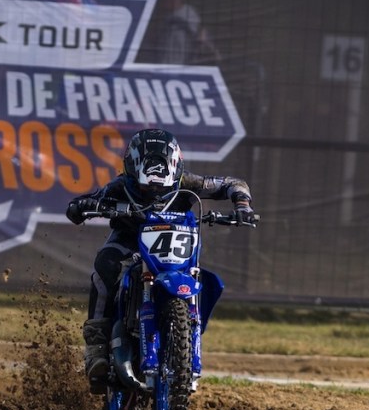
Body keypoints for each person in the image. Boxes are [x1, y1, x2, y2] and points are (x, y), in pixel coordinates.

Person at [65, 128, 257, 394]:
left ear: (174, 169)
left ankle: (184, 342)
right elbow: (81, 205)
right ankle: (96, 348)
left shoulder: (189, 183)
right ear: (133, 168)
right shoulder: (119, 187)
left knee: (201, 277)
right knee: (105, 266)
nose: (153, 191)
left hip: (174, 251)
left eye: (160, 185)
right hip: (129, 243)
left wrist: (242, 206)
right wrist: (84, 206)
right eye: (147, 186)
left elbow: (234, 184)